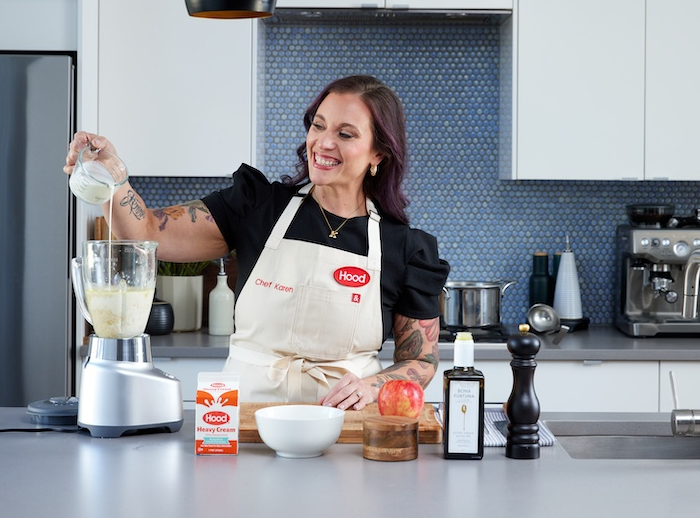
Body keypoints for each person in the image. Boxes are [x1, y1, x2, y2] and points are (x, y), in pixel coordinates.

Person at [64, 75, 449, 411]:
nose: (323, 142)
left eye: (345, 134)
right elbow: (148, 230)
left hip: (343, 431)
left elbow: (421, 359)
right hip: (242, 424)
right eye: (318, 126)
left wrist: (371, 386)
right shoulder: (257, 207)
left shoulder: (404, 248)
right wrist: (110, 175)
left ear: (378, 153)